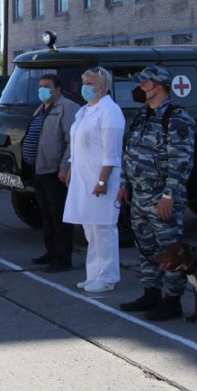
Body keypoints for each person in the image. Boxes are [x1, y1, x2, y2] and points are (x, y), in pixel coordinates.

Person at [118, 65, 197, 321]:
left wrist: (169, 195)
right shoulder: (143, 115)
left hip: (161, 197)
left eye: (143, 85)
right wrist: (123, 184)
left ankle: (172, 301)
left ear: (158, 87)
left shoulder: (177, 118)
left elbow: (181, 161)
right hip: (139, 196)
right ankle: (151, 293)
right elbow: (128, 153)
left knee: (170, 251)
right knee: (146, 248)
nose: (139, 89)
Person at [62, 67, 126, 293]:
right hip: (82, 178)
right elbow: (77, 145)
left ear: (103, 86)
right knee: (90, 229)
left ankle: (107, 276)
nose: (85, 87)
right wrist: (70, 167)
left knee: (103, 229)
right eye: (83, 82)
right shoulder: (84, 111)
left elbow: (111, 152)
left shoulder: (110, 111)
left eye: (90, 83)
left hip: (101, 180)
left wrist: (102, 180)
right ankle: (93, 274)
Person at [25, 74, 79, 272]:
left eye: (46, 86)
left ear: (58, 90)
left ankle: (63, 258)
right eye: (40, 86)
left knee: (59, 216)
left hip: (55, 172)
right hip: (39, 170)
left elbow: (71, 142)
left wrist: (65, 168)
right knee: (46, 215)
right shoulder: (42, 108)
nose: (42, 90)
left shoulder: (67, 108)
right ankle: (51, 252)